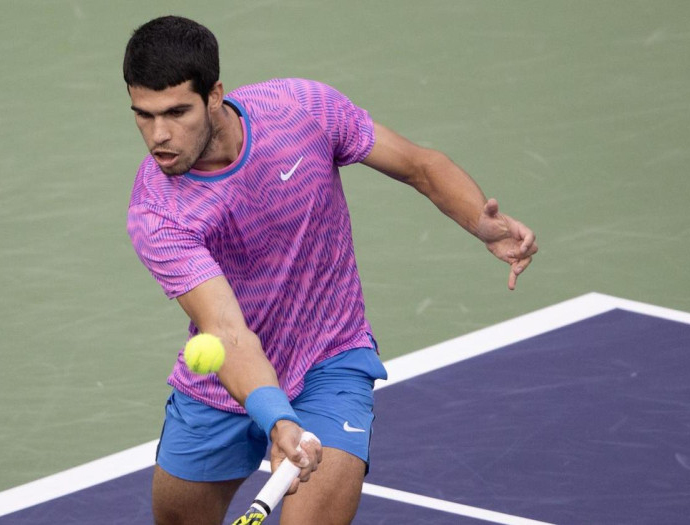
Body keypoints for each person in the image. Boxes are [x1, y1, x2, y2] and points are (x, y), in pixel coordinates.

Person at [123, 15, 537, 525]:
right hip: (222, 385)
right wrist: (276, 418)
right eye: (143, 115)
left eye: (176, 112)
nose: (158, 135)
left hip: (329, 361)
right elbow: (227, 332)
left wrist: (481, 222)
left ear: (214, 95)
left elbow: (419, 165)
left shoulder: (300, 111)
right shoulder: (158, 212)